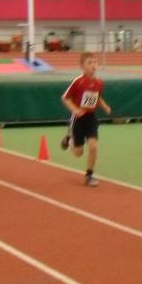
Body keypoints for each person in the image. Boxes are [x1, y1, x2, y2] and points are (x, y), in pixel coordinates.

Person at [60, 52, 112, 187]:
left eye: (95, 62)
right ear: (82, 66)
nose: (93, 65)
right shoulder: (78, 82)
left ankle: (89, 175)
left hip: (91, 118)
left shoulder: (99, 83)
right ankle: (70, 141)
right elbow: (65, 98)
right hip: (78, 118)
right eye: (89, 62)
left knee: (93, 147)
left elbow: (97, 97)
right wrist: (75, 110)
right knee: (78, 153)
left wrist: (105, 106)